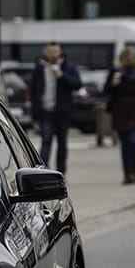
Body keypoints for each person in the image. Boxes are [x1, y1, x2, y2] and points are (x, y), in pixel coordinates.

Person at [104, 47, 135, 185]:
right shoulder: (115, 72)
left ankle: (133, 171)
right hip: (120, 111)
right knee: (124, 144)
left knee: (132, 141)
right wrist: (113, 84)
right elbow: (105, 90)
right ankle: (127, 173)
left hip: (134, 110)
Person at [30, 41, 82, 174]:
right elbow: (34, 91)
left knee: (62, 143)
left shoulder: (68, 67)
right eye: (50, 52)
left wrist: (62, 76)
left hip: (63, 111)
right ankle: (43, 172)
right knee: (46, 141)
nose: (52, 55)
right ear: (45, 53)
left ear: (59, 52)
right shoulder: (40, 67)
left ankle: (61, 172)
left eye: (55, 52)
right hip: (46, 110)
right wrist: (34, 113)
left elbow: (77, 84)